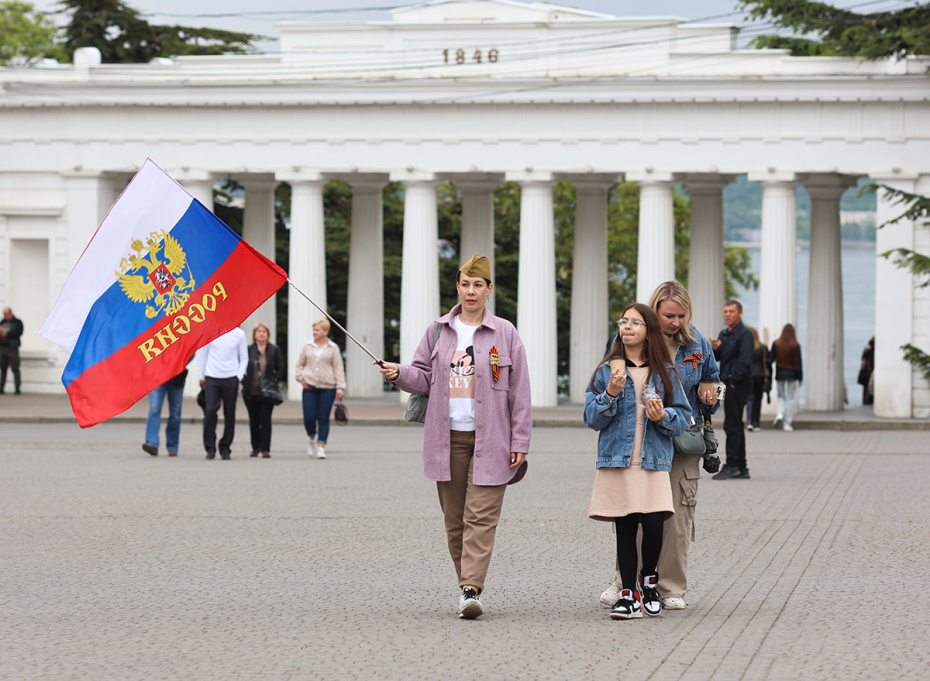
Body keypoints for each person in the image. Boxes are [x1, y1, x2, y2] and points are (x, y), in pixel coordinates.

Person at [377, 254, 531, 620]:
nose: (471, 291)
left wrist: (520, 442)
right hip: (447, 441)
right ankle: (467, 582)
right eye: (465, 284)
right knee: (455, 521)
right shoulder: (438, 330)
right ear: (457, 287)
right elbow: (423, 377)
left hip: (492, 441)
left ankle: (470, 588)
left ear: (489, 289)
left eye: (478, 285)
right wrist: (397, 372)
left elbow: (519, 392)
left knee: (481, 517)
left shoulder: (505, 333)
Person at [599, 282, 720, 611]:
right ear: (654, 312)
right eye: (669, 315)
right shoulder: (630, 336)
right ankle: (626, 582)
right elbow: (609, 378)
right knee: (633, 511)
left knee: (677, 518)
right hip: (640, 441)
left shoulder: (697, 343)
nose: (675, 322)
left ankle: (670, 587)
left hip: (681, 438)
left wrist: (711, 397)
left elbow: (711, 379)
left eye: (682, 315)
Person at [586, 303, 691, 620]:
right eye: (623, 321)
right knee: (626, 526)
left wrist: (664, 416)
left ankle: (650, 581)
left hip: (654, 461)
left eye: (635, 322)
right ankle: (628, 594)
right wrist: (610, 395)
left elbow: (683, 417)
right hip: (617, 461)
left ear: (649, 330)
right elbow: (591, 418)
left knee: (655, 526)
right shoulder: (607, 372)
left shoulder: (665, 371)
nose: (627, 327)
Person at [710, 300, 753, 480]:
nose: (727, 314)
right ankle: (741, 467)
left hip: (738, 383)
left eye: (731, 311)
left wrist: (733, 381)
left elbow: (745, 360)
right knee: (735, 424)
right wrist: (714, 349)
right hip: (727, 382)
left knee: (732, 425)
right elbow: (723, 356)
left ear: (740, 314)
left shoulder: (745, 334)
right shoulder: (724, 333)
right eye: (725, 311)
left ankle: (733, 464)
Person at [296, 319, 346, 459]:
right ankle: (312, 438)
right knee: (309, 417)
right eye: (313, 330)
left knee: (324, 417)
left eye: (317, 330)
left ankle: (321, 446)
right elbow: (299, 365)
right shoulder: (308, 346)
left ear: (325, 331)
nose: (314, 332)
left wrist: (340, 388)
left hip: (328, 388)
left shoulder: (333, 347)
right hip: (309, 387)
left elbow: (338, 369)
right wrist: (301, 378)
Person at [199, 326, 248, 460]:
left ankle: (225, 447)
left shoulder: (239, 334)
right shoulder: (209, 331)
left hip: (230, 377)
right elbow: (204, 354)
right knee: (210, 410)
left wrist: (239, 377)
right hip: (212, 376)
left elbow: (244, 357)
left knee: (229, 413)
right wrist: (201, 375)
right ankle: (210, 446)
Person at [242, 323, 284, 458]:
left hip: (267, 392)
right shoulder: (248, 349)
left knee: (265, 419)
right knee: (253, 420)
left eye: (264, 331)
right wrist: (244, 382)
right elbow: (241, 366)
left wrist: (273, 382)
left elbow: (280, 367)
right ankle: (255, 447)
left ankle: (266, 448)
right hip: (250, 391)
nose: (261, 334)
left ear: (268, 335)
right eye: (259, 331)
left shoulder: (274, 349)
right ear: (254, 335)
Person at [142, 364, 189, 457]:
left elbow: (190, 353)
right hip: (156, 375)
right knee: (154, 408)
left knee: (175, 412)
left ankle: (173, 446)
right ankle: (152, 443)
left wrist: (181, 363)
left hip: (176, 376)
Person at [770, 323, 803, 431]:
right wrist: (800, 378)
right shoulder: (795, 345)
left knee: (781, 396)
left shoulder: (777, 344)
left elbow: (771, 359)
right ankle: (787, 423)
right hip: (793, 374)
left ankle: (779, 413)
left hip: (780, 373)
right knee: (790, 398)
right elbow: (798, 362)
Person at [746, 327, 771, 432]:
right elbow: (768, 363)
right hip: (760, 376)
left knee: (750, 399)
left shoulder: (747, 348)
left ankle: (749, 421)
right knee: (758, 399)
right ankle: (757, 422)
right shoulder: (763, 347)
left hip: (749, 375)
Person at [0, 306, 24, 395]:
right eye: (4, 314)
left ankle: (17, 388)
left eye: (6, 314)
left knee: (15, 368)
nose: (5, 316)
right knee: (3, 369)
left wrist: (8, 334)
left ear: (11, 313)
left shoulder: (17, 322)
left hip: (13, 348)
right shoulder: (2, 322)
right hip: (3, 348)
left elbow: (19, 332)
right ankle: (1, 387)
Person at [858, 336, 875, 405]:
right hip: (869, 372)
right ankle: (869, 402)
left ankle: (866, 403)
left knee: (866, 390)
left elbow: (863, 359)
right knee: (870, 389)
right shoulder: (872, 350)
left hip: (864, 372)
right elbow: (871, 362)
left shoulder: (867, 349)